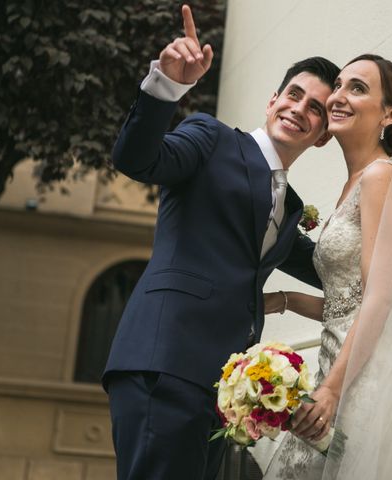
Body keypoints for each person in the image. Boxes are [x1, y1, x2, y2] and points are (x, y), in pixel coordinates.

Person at [102, 5, 340, 480]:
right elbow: (137, 159)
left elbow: (333, 270)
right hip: (164, 362)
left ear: (322, 136)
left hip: (220, 388)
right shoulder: (210, 138)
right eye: (294, 94)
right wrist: (166, 86)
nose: (300, 109)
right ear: (272, 101)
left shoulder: (288, 206)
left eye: (316, 107)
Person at [263, 54, 392, 479]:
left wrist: (333, 389)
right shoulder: (354, 183)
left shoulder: (379, 176)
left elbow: (380, 297)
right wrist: (283, 301)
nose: (338, 96)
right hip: (336, 364)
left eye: (358, 88)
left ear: (389, 114)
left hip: (358, 377)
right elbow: (345, 301)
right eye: (339, 86)